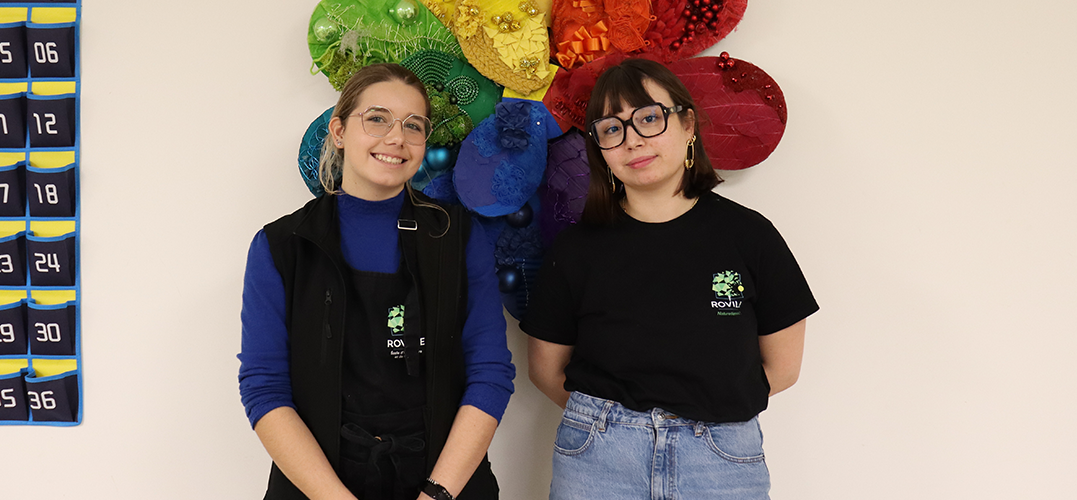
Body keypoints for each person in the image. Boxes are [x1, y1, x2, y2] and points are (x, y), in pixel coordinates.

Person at [521, 58, 819, 500]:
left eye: (648, 118)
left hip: (721, 460)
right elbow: (546, 370)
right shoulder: (576, 249)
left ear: (688, 125)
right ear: (599, 148)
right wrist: (619, 425)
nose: (633, 141)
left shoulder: (749, 235)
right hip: (599, 460)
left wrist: (706, 410)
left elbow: (783, 367)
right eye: (612, 129)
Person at [239, 63, 514, 500]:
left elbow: (490, 373)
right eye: (377, 118)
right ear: (339, 131)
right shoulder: (282, 246)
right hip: (319, 485)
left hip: (445, 481)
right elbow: (264, 387)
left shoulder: (458, 237)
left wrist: (436, 494)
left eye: (414, 126)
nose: (396, 138)